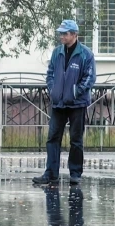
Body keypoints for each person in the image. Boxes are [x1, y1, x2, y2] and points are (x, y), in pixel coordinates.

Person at [33, 19, 96, 186]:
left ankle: (75, 173)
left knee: (76, 140)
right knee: (52, 138)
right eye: (60, 33)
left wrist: (75, 92)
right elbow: (51, 73)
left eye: (65, 33)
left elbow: (89, 78)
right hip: (58, 103)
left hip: (77, 103)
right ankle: (51, 173)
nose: (61, 36)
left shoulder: (86, 54)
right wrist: (53, 90)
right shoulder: (57, 52)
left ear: (74, 35)